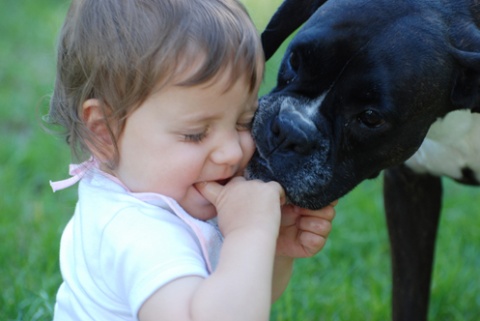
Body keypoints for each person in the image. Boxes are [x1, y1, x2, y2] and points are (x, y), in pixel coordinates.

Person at [47, 0, 337, 320]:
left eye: (244, 121)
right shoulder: (136, 233)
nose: (231, 152)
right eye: (196, 134)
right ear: (104, 131)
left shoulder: (160, 193)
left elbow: (245, 301)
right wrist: (249, 233)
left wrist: (273, 250)